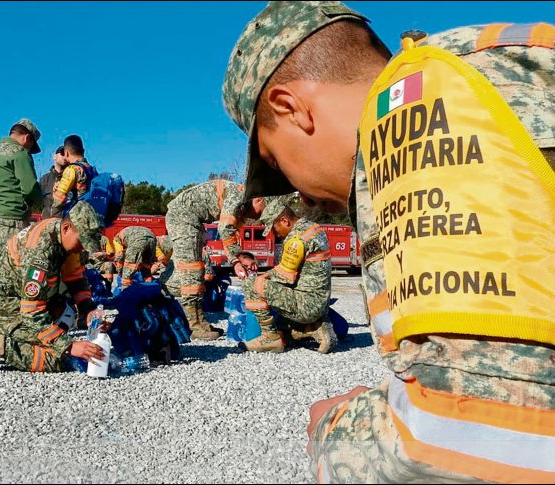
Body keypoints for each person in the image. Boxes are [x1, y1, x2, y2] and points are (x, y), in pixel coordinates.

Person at [222, 2, 555, 482]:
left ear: (290, 108)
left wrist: (336, 432)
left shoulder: (412, 117)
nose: (296, 191)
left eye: (276, 163)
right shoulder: (478, 69)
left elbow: (481, 432)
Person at [0, 201, 106, 375]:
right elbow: (32, 313)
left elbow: (75, 276)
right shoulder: (40, 251)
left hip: (19, 301)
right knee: (55, 360)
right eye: (81, 241)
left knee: (63, 322)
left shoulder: (62, 234)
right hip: (0, 307)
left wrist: (87, 308)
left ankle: (3, 333)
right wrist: (69, 345)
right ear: (67, 227)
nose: (82, 247)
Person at [163, 180, 265, 339]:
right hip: (182, 218)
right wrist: (236, 261)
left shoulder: (242, 203)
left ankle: (196, 320)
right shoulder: (240, 195)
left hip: (190, 219)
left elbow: (229, 237)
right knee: (192, 270)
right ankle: (195, 326)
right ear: (258, 199)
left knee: (195, 270)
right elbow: (224, 229)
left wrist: (237, 259)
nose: (257, 217)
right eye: (260, 212)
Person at [241, 196, 335, 353]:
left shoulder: (296, 238)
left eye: (275, 228)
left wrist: (263, 277)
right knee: (281, 321)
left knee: (252, 284)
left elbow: (285, 275)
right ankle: (311, 329)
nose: (275, 234)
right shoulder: (312, 228)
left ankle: (271, 339)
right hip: (321, 304)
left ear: (285, 221)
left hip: (308, 306)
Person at [0, 118, 44, 274]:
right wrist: (44, 200)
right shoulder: (20, 154)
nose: (29, 150)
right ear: (27, 138)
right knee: (15, 269)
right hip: (12, 219)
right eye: (31, 146)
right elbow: (29, 188)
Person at [50, 135, 96, 214]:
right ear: (83, 151)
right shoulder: (92, 170)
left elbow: (59, 199)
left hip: (76, 218)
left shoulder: (71, 169)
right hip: (93, 216)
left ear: (66, 153)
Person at [39, 146, 68, 219]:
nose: (65, 156)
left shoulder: (72, 178)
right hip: (46, 223)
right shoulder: (44, 179)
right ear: (54, 156)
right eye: (62, 153)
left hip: (64, 224)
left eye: (67, 155)